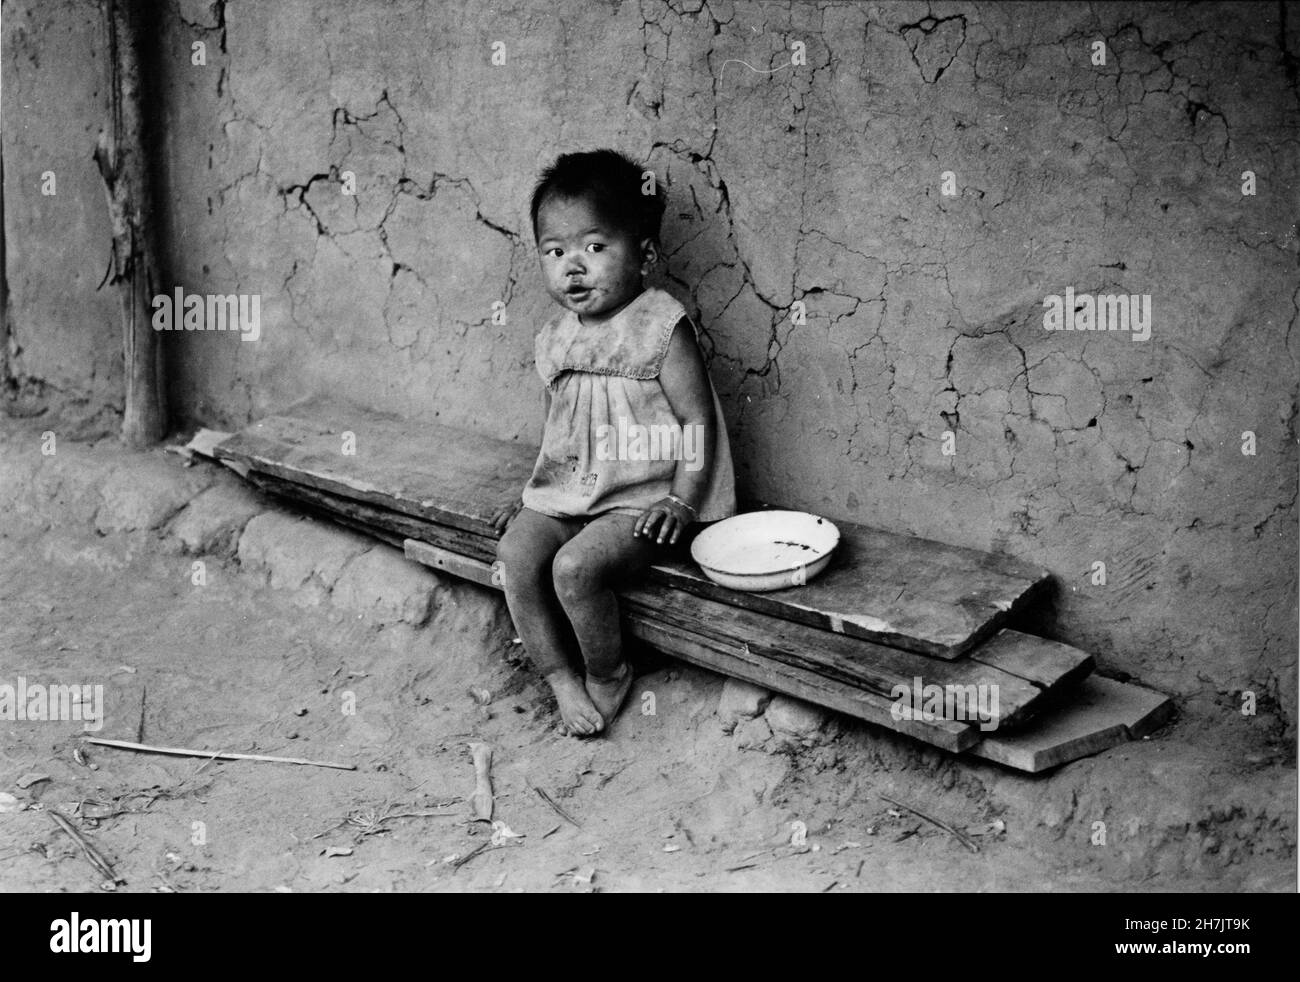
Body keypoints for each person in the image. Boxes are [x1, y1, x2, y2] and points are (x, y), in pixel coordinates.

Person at [493, 148, 736, 736]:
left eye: (595, 248)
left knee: (575, 568)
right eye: (555, 253)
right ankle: (556, 674)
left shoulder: (659, 325)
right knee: (514, 559)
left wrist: (680, 499)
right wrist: (535, 495)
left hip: (639, 501)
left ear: (645, 254)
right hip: (568, 494)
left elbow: (697, 420)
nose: (573, 267)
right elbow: (557, 428)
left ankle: (607, 671)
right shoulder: (553, 339)